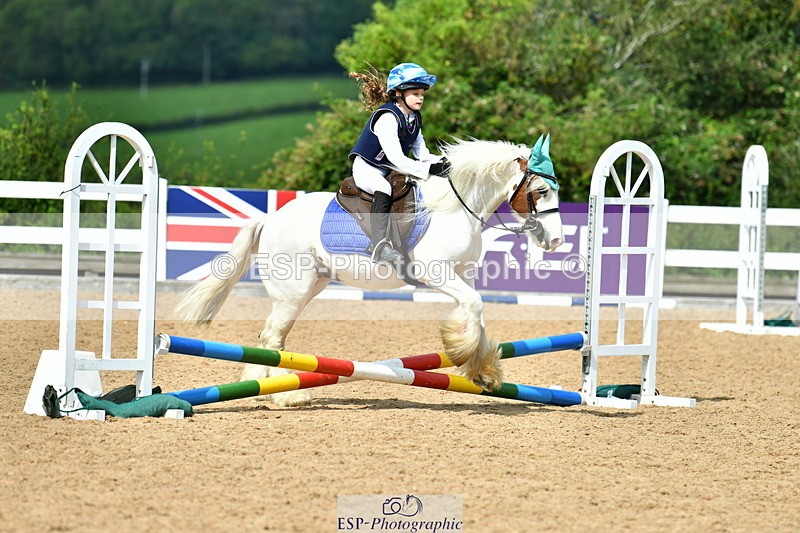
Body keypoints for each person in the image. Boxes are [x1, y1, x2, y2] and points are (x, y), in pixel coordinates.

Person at [349, 63, 449, 262]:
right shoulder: (387, 117)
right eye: (415, 93)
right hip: (367, 169)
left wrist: (446, 162)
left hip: (389, 170)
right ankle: (379, 246)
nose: (421, 97)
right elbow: (397, 160)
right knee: (383, 188)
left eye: (422, 93)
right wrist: (430, 169)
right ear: (398, 94)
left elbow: (423, 155)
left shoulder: (413, 118)